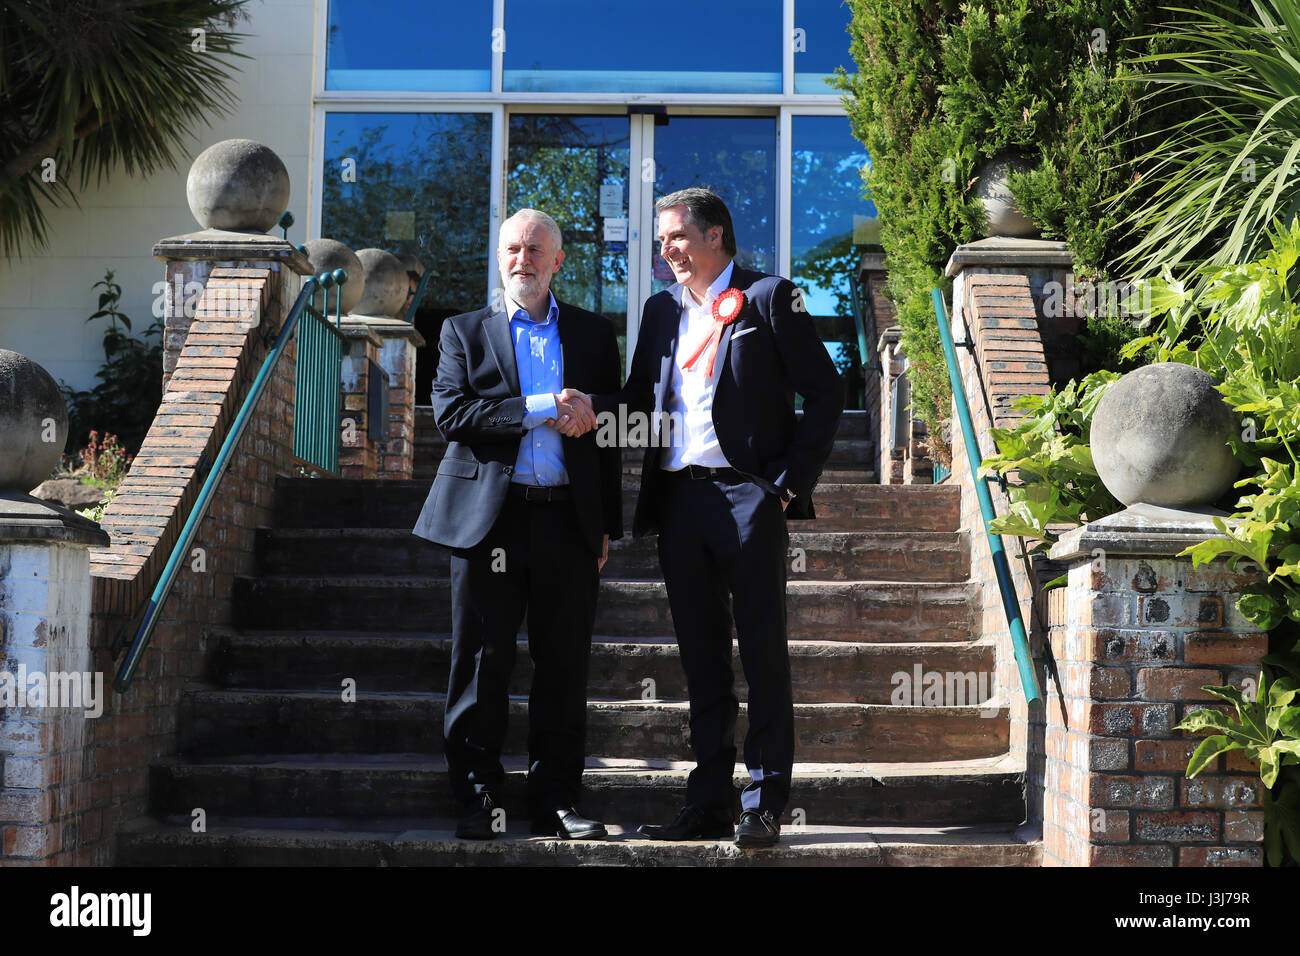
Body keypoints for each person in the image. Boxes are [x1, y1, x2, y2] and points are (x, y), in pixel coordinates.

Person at [578, 187, 843, 847]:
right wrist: (586, 408)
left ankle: (764, 803)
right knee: (701, 661)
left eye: (675, 238)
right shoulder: (660, 310)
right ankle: (708, 802)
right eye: (662, 241)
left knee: (762, 652)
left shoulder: (770, 297)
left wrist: (784, 485)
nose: (665, 251)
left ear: (714, 235)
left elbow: (826, 390)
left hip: (748, 497)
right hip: (679, 501)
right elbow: (641, 400)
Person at [411, 208, 622, 841]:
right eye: (512, 249)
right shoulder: (463, 330)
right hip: (489, 525)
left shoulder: (592, 333)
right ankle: (477, 799)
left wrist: (605, 518)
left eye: (535, 250)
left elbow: (611, 426)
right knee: (481, 664)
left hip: (567, 521)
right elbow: (452, 413)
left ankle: (557, 801)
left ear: (558, 260)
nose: (522, 259)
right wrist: (538, 407)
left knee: (564, 666)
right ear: (499, 258)